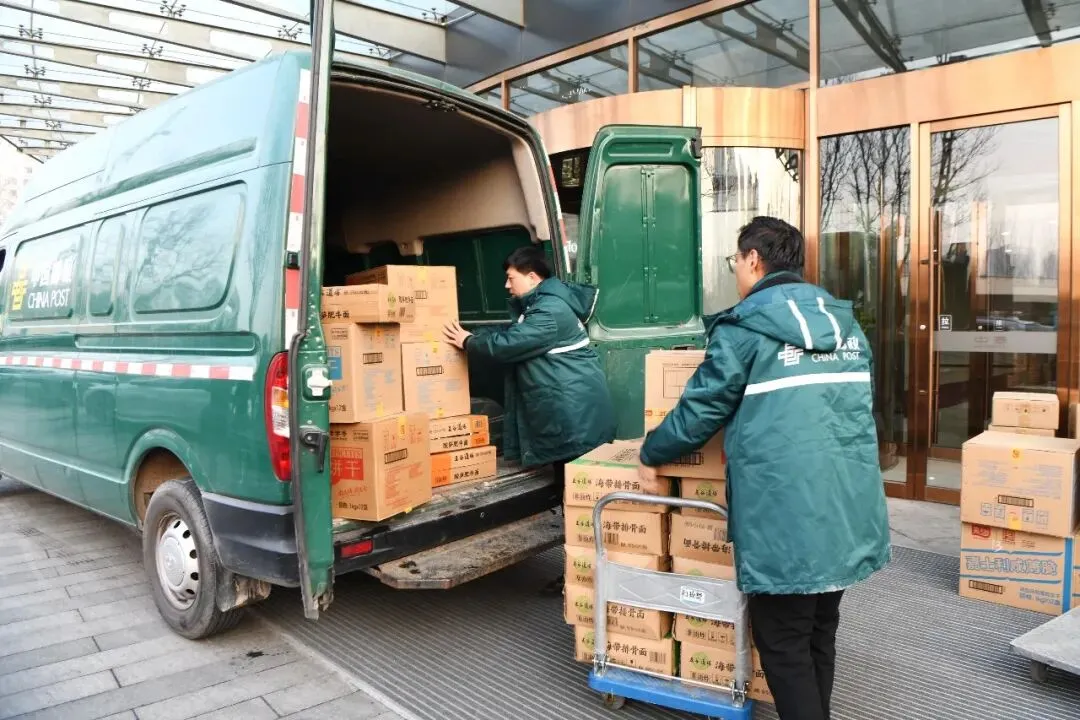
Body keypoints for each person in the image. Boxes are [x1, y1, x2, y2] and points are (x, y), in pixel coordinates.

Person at [637, 217, 890, 720]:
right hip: (848, 505)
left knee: (784, 642)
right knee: (818, 630)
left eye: (735, 260)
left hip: (785, 515)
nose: (735, 269)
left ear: (753, 260)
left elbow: (701, 410)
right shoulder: (846, 326)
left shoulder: (746, 328)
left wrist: (651, 453)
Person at [442, 244, 616, 481]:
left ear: (532, 277)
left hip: (573, 414)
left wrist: (468, 341)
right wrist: (476, 334)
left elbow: (509, 344)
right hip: (573, 410)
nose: (507, 285)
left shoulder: (548, 311)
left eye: (511, 278)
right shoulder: (544, 304)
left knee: (574, 481)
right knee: (572, 477)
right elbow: (514, 332)